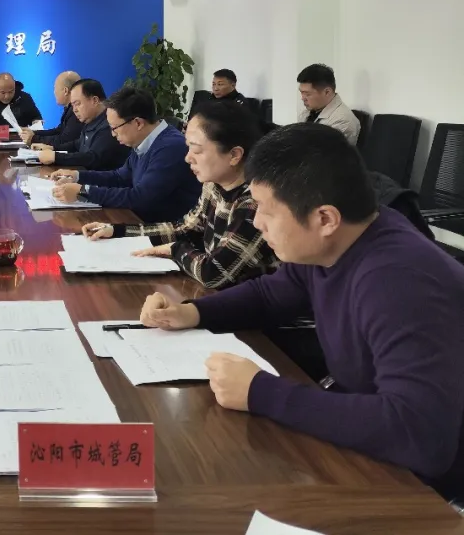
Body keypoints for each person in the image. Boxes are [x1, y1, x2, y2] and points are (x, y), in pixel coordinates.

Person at [136, 124, 464, 500]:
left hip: (425, 486)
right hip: (369, 439)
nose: (257, 222)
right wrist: (191, 312)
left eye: (266, 211)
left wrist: (260, 391)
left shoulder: (398, 281)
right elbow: (270, 295)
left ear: (325, 219)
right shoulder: (336, 243)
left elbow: (420, 434)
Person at [82, 99, 275, 288]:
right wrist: (117, 231)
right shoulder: (214, 185)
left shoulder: (255, 201)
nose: (187, 157)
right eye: (188, 146)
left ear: (234, 155)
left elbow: (214, 273)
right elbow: (185, 229)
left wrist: (176, 249)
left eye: (196, 150)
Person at [49, 87, 200, 222]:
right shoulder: (144, 139)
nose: (112, 134)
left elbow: (140, 198)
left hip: (162, 231)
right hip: (138, 219)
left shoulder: (171, 147)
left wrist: (83, 192)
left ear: (138, 123)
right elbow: (120, 177)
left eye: (114, 128)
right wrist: (77, 176)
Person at [33, 79, 127, 171]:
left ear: (95, 100)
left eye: (77, 104)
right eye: (72, 105)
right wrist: (53, 148)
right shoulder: (91, 120)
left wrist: (56, 157)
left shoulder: (110, 124)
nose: (74, 110)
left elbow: (93, 158)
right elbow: (78, 144)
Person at [296, 63, 360, 144]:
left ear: (327, 92)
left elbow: (319, 150)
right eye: (301, 93)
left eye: (307, 94)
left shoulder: (342, 121)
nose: (302, 98)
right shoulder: (308, 112)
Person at [19, 71, 83, 147]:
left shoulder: (75, 111)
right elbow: (59, 131)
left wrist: (34, 139)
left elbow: (64, 140)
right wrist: (34, 133)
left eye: (55, 88)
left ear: (65, 91)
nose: (54, 92)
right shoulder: (69, 109)